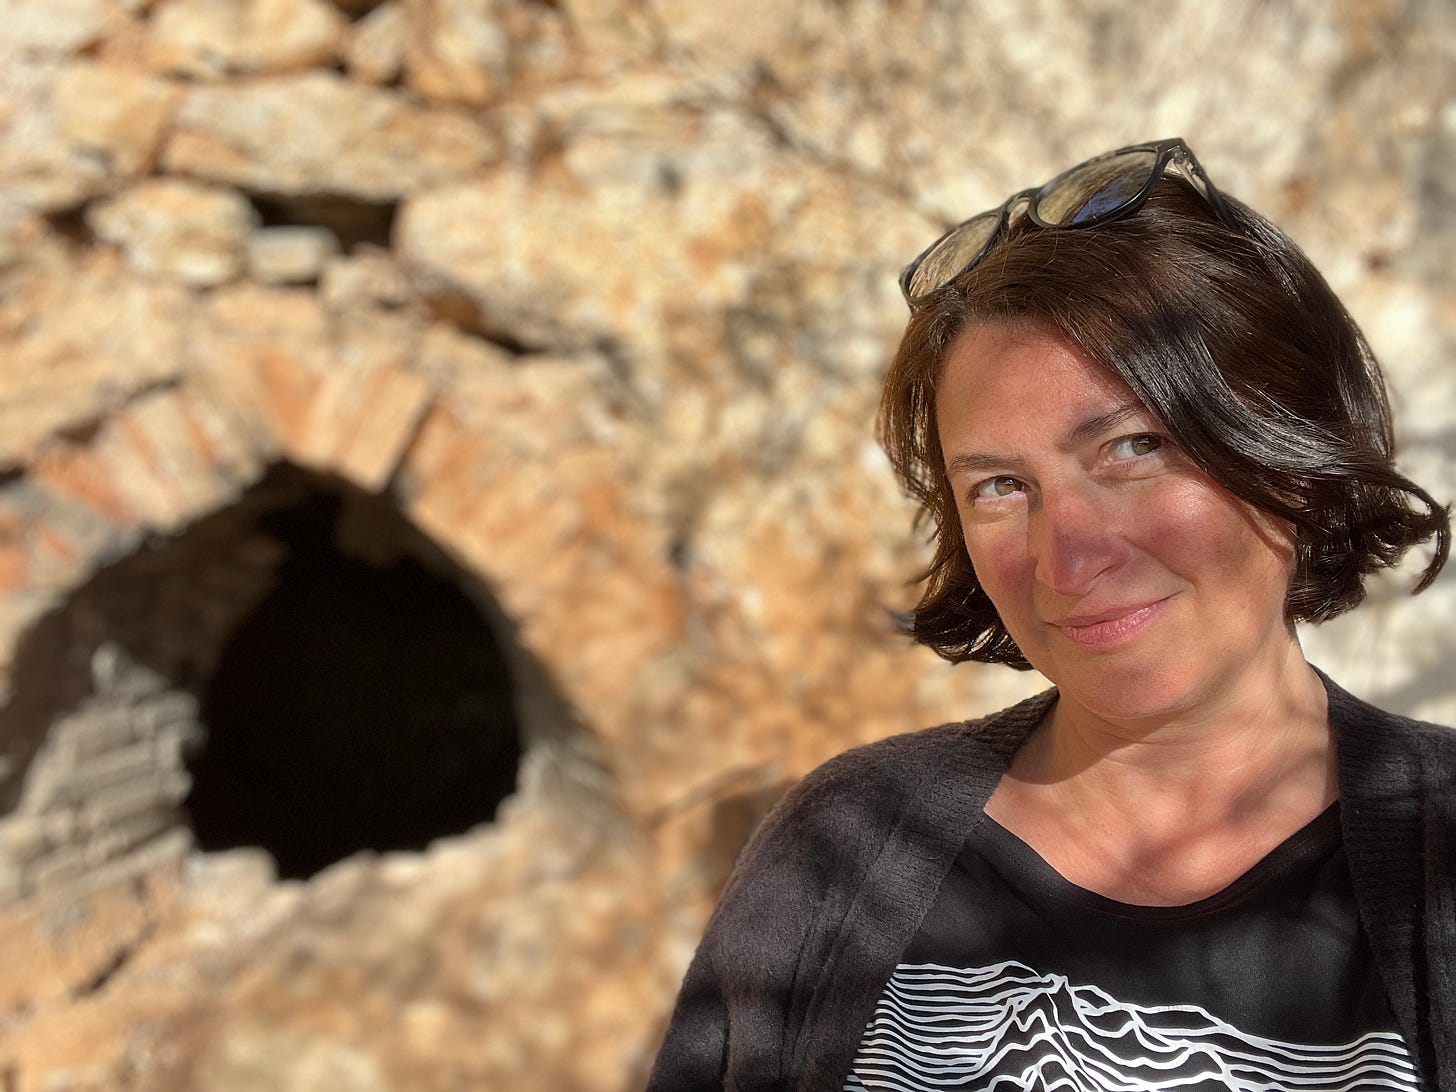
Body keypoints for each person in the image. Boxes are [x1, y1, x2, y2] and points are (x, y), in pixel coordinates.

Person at [646, 138, 1456, 1091]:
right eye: (998, 484)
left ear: (1290, 456)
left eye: (1133, 447)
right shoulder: (842, 852)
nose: (1067, 557)